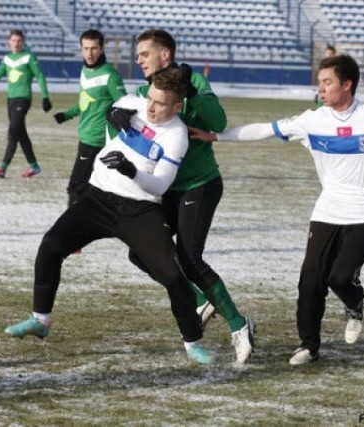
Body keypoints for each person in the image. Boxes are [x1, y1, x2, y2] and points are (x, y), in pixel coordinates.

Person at [190, 54, 364, 366]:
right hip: (329, 209)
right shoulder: (313, 121)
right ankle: (309, 347)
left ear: (347, 85)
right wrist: (215, 136)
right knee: (310, 279)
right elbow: (264, 129)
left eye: (327, 82)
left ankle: (355, 304)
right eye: (320, 83)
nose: (321, 89)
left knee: (340, 277)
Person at [4, 68, 213, 364]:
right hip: (97, 198)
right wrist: (114, 115)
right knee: (50, 246)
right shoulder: (139, 101)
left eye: (160, 104)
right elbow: (117, 106)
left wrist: (132, 170)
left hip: (140, 209)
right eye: (150, 98)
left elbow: (161, 184)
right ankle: (41, 320)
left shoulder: (177, 135)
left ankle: (193, 344)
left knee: (173, 278)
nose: (150, 108)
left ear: (177, 106)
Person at [110, 29, 255, 365]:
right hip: (164, 190)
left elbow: (219, 120)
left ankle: (239, 325)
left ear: (165, 56)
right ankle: (199, 301)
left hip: (198, 185)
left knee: (189, 258)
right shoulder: (145, 91)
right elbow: (121, 109)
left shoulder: (196, 85)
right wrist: (113, 115)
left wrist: (190, 94)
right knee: (141, 252)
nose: (139, 60)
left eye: (145, 54)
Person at [53, 29, 127, 206]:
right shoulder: (85, 71)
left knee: (76, 188)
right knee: (90, 187)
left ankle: (73, 228)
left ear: (101, 49)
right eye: (85, 48)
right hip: (85, 135)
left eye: (94, 48)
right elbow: (85, 101)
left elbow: (124, 104)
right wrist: (67, 115)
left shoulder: (110, 75)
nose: (89, 53)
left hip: (97, 140)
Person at [0, 29, 52, 179]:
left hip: (23, 99)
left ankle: (3, 167)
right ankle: (34, 166)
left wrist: (45, 97)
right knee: (20, 134)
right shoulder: (7, 59)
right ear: (9, 41)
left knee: (13, 132)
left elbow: (40, 75)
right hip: (10, 100)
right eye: (13, 40)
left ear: (23, 42)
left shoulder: (29, 57)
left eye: (19, 41)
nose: (16, 43)